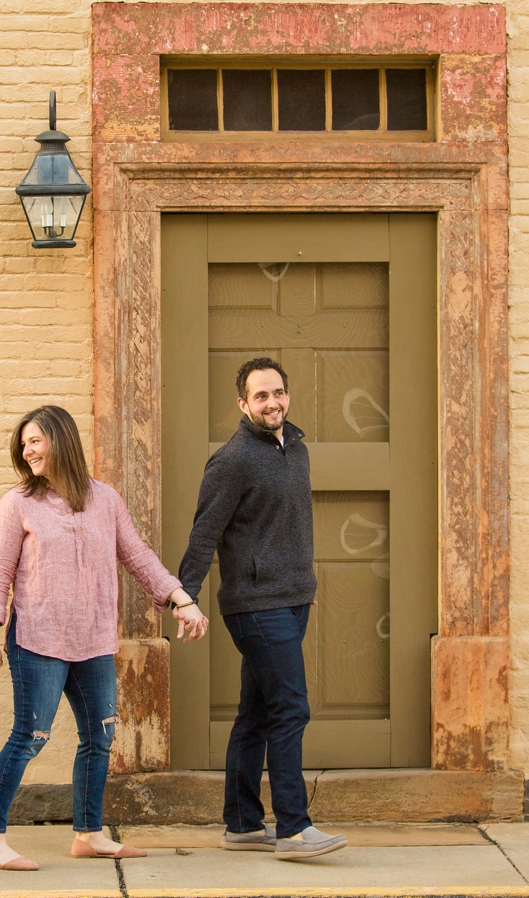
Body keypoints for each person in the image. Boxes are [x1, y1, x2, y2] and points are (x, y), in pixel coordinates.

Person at [0, 405, 208, 871]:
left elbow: (137, 556)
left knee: (100, 736)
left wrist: (183, 600)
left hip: (94, 640)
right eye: (24, 444)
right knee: (30, 737)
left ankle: (88, 833)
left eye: (35, 440)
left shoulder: (105, 499)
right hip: (37, 639)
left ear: (60, 440)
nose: (27, 450)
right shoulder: (17, 503)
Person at [177, 357, 347, 860]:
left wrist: (304, 581)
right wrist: (184, 597)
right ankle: (294, 828)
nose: (271, 402)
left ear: (287, 396)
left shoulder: (296, 448)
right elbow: (204, 532)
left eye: (278, 393)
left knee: (254, 714)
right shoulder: (232, 461)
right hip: (254, 606)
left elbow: (292, 524)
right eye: (260, 396)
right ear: (242, 404)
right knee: (290, 707)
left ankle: (243, 824)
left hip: (292, 599)